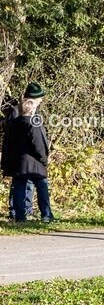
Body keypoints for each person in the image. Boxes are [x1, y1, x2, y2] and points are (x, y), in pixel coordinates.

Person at [1, 83, 53, 223]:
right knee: (41, 186)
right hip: (34, 162)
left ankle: (20, 216)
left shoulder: (17, 120)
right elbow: (38, 143)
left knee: (19, 187)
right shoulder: (32, 122)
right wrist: (43, 158)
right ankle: (46, 215)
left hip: (20, 162)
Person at [2, 95, 34, 220]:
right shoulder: (16, 112)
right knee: (18, 184)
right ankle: (14, 211)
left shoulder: (35, 112)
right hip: (20, 156)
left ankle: (28, 209)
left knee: (29, 184)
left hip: (30, 157)